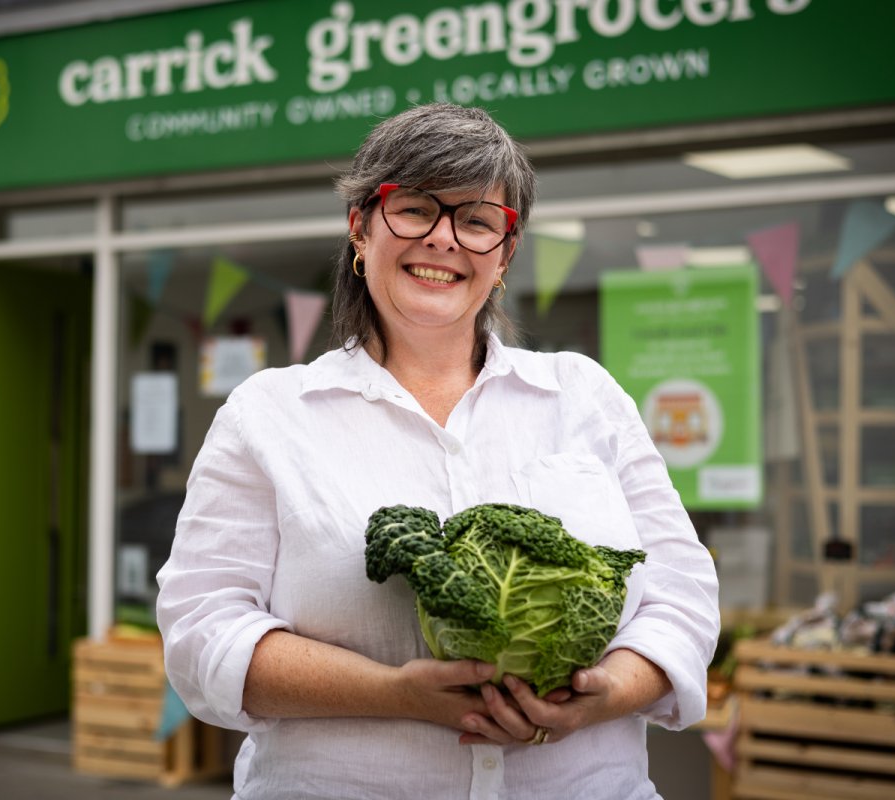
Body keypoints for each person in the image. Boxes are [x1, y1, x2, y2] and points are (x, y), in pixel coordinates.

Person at [156, 103, 719, 800]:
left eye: (477, 221)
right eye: (415, 209)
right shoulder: (269, 416)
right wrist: (393, 692)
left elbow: (683, 597)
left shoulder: (585, 396)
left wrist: (606, 693)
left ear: (505, 253)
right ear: (361, 227)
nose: (443, 238)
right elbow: (201, 632)